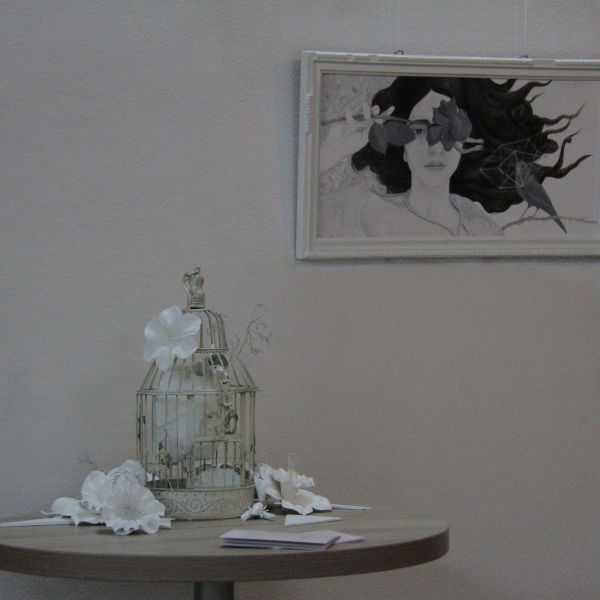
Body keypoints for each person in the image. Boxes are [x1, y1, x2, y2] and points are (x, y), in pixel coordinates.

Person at [317, 76, 587, 238]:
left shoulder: (482, 229)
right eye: (420, 130)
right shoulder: (364, 212)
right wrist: (330, 151)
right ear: (402, 148)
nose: (435, 148)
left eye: (449, 131)